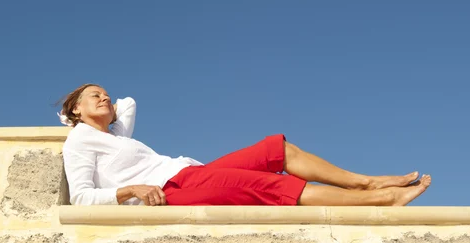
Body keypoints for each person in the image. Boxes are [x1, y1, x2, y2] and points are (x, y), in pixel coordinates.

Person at [58, 84, 431, 207]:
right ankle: (380, 200)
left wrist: (102, 108)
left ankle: (362, 182)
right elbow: (80, 197)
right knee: (273, 186)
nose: (105, 97)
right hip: (173, 190)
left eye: (105, 93)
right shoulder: (78, 141)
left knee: (275, 149)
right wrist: (129, 191)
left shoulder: (116, 135)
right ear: (75, 108)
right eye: (94, 96)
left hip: (193, 172)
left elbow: (128, 104)